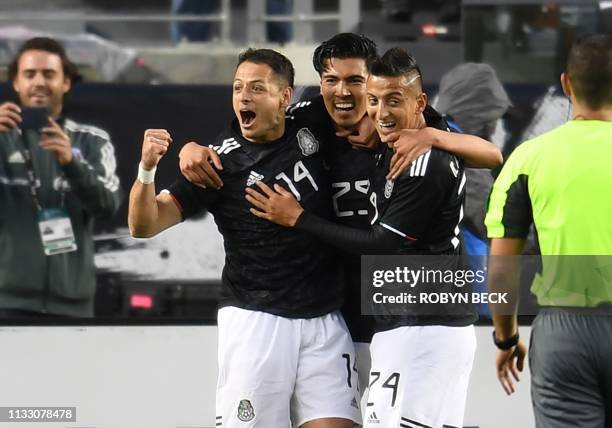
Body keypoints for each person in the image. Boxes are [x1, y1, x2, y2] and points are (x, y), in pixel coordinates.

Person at [245, 47, 478, 428]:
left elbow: (382, 245)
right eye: (374, 101)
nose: (381, 111)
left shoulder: (424, 158)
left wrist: (298, 217)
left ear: (420, 103)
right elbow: (250, 123)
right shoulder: (369, 137)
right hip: (387, 323)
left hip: (423, 322)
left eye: (392, 101)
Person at [128, 48, 360, 428]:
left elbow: (366, 94)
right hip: (257, 319)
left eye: (257, 87)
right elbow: (144, 225)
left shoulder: (313, 119)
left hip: (324, 319)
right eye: (237, 88)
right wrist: (147, 168)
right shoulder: (217, 164)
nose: (244, 97)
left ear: (285, 97)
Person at [485, 34, 612, 427]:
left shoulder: (528, 158)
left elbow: (502, 269)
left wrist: (506, 337)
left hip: (564, 336)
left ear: (566, 84)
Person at [0, 37, 122, 318]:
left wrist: (71, 163)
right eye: (29, 74)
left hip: (72, 307)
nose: (39, 82)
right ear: (16, 83)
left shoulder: (91, 141)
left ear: (66, 82)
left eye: (49, 74)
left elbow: (107, 206)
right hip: (6, 305)